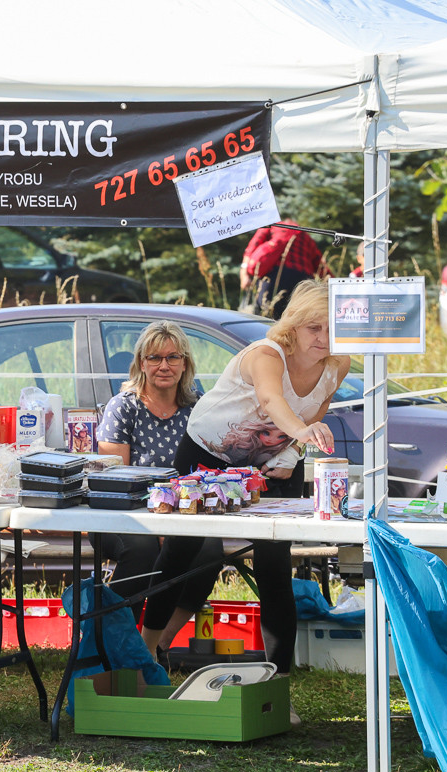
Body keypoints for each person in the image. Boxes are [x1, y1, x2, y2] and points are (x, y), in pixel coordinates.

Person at [141, 281, 351, 722]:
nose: (324, 338)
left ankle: (279, 689)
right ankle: (145, 657)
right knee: (182, 551)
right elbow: (274, 401)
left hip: (272, 457)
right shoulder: (264, 354)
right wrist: (299, 435)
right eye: (314, 327)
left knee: (276, 565)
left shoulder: (339, 364)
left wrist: (293, 452)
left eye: (333, 327)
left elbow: (315, 411)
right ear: (293, 325)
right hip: (207, 453)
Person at [92, 322, 221, 661]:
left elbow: (210, 472)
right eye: (155, 358)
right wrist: (158, 522)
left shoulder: (200, 407)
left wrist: (174, 522)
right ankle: (113, 641)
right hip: (124, 515)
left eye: (173, 357)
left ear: (185, 363)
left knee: (210, 552)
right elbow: (113, 479)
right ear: (142, 363)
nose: (164, 366)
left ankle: (158, 644)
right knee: (144, 551)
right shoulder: (123, 407)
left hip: (184, 514)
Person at [240, 220, 332, 318]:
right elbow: (322, 269)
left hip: (274, 276)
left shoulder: (272, 226)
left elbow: (251, 248)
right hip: (303, 281)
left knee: (266, 318)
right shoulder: (306, 236)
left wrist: (244, 274)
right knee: (295, 322)